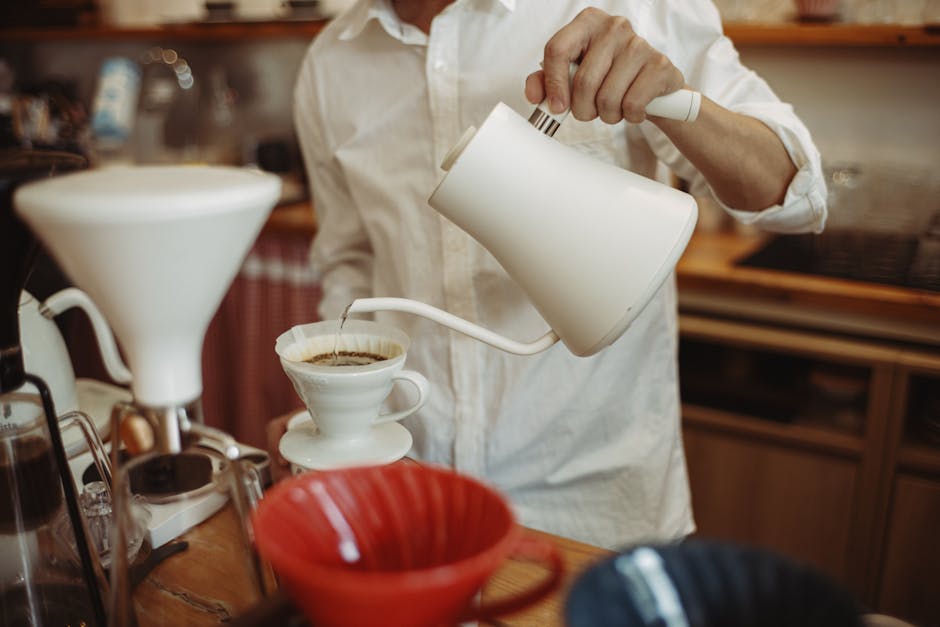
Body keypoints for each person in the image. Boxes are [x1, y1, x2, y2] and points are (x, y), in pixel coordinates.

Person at [287, 0, 827, 550]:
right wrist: (338, 420)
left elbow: (795, 195)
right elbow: (348, 262)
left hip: (593, 511)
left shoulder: (629, 9)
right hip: (411, 491)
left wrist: (671, 103)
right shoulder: (331, 62)